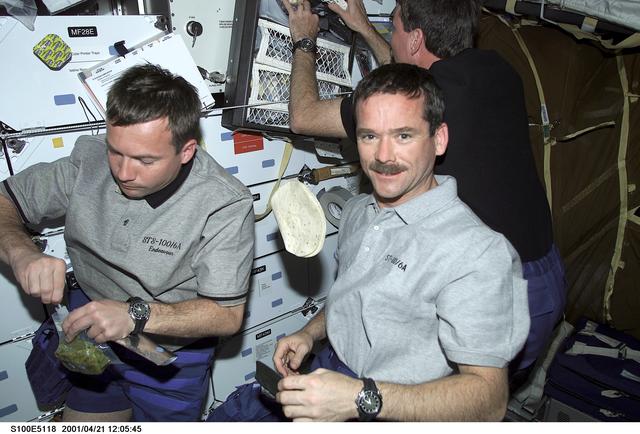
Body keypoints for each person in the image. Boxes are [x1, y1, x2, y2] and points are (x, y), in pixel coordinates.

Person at [208, 63, 529, 422]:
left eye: (404, 136)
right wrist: (309, 334)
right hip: (334, 375)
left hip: (396, 407)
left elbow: (489, 400)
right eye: (369, 136)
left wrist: (360, 399)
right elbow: (354, 296)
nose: (383, 156)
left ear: (439, 139)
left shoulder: (477, 253)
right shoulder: (360, 210)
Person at [283, 0, 566, 378]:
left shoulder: (439, 95)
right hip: (546, 277)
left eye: (394, 28)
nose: (391, 36)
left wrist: (304, 39)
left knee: (447, 397)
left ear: (415, 39)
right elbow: (416, 79)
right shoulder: (498, 69)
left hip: (486, 287)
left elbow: (303, 116)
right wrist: (365, 28)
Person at [0, 64, 255, 422]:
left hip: (169, 358)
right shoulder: (88, 160)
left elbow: (227, 315)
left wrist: (135, 315)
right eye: (115, 151)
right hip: (89, 329)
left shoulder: (224, 203)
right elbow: (4, 201)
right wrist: (21, 253)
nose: (122, 172)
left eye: (144, 160)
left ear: (186, 151)